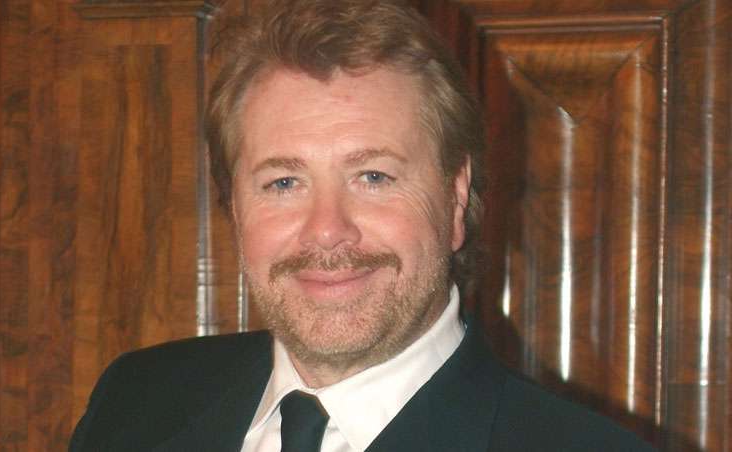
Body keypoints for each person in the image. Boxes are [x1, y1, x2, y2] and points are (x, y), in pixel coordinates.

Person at [69, 1, 656, 450]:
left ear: (455, 199)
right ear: (234, 207)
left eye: (373, 176)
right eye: (283, 182)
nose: (327, 231)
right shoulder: (134, 403)